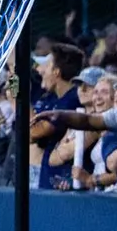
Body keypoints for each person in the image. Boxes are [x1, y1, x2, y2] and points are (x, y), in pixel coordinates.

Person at [29, 44, 84, 190]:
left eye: (47, 66)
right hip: (42, 176)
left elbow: (33, 132)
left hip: (60, 182)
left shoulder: (72, 100)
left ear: (56, 72)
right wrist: (14, 93)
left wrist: (17, 101)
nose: (41, 70)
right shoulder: (52, 97)